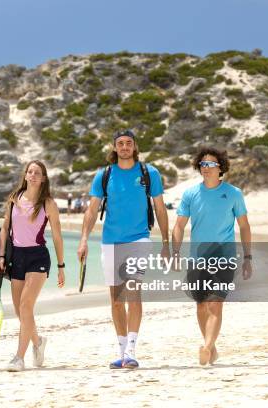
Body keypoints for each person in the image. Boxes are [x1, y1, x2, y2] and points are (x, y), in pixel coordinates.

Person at [77, 129, 170, 369]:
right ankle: (121, 351)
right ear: (115, 147)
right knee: (116, 299)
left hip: (139, 239)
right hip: (110, 241)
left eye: (129, 143)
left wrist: (167, 243)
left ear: (135, 146)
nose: (125, 147)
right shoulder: (104, 175)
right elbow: (92, 209)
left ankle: (131, 348)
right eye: (121, 143)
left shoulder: (149, 173)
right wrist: (84, 240)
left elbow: (160, 209)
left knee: (133, 293)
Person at [171, 147, 252, 366]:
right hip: (197, 258)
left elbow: (244, 226)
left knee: (215, 303)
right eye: (203, 164)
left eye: (211, 164)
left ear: (221, 168)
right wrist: (175, 251)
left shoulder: (233, 193)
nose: (206, 168)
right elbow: (179, 225)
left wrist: (248, 257)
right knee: (201, 305)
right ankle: (211, 346)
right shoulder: (190, 194)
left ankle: (206, 347)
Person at [0, 160, 66, 372]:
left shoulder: (48, 204)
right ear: (25, 176)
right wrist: (1, 255)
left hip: (38, 257)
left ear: (43, 178)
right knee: (20, 310)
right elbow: (5, 228)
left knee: (26, 306)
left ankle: (19, 357)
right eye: (30, 172)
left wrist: (61, 266)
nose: (33, 175)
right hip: (16, 257)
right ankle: (37, 341)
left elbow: (56, 236)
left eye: (38, 173)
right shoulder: (14, 199)